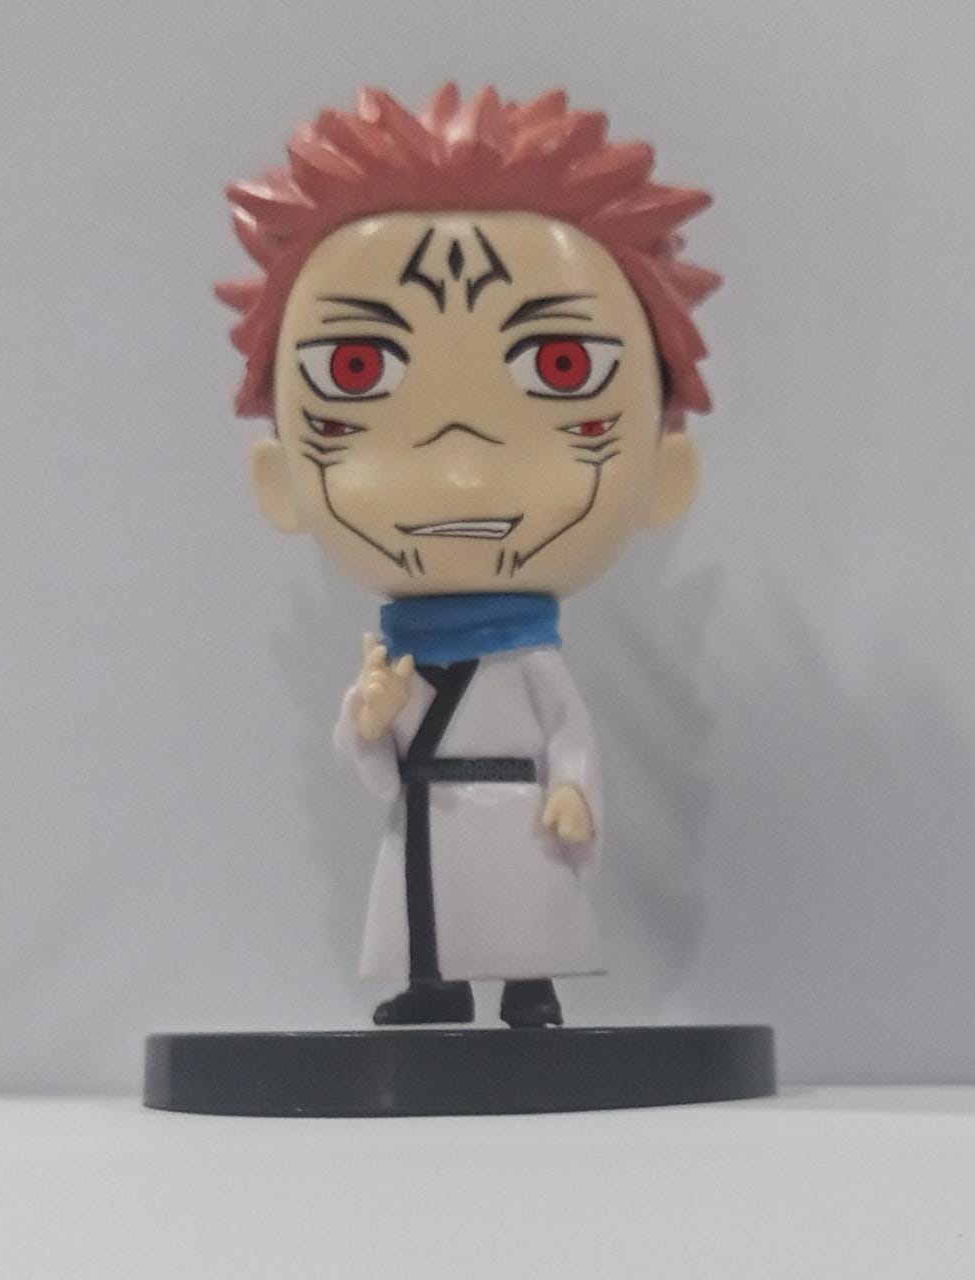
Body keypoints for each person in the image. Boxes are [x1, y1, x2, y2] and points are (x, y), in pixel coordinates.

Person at [217, 84, 718, 1027]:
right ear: (277, 478)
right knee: (426, 914)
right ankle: (433, 986)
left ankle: (529, 991)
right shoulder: (399, 661)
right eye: (356, 370)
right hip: (427, 816)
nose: (459, 469)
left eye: (562, 367)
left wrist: (572, 793)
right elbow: (370, 767)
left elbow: (569, 735)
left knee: (527, 912)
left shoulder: (530, 664)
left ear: (664, 473)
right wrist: (370, 720)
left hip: (513, 815)